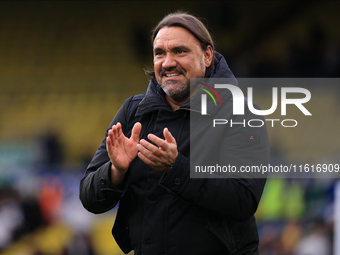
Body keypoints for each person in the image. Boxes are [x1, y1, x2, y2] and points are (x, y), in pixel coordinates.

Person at [80, 12, 269, 255]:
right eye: (160, 53)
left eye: (180, 51)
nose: (168, 62)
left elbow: (243, 199)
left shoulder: (240, 112)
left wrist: (176, 168)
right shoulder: (133, 111)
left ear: (207, 55)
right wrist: (116, 171)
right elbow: (89, 198)